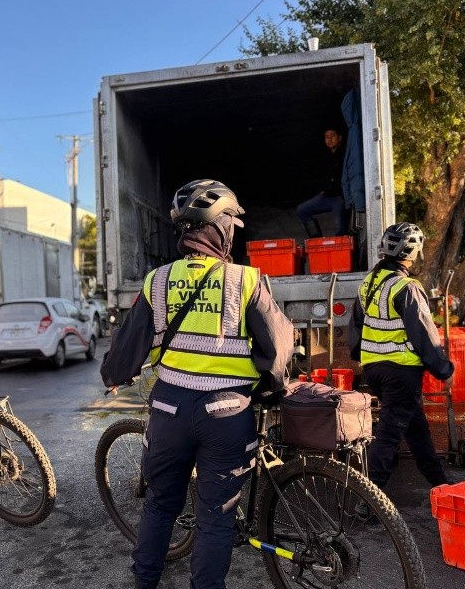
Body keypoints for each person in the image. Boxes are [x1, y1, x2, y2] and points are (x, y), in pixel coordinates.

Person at [100, 179, 295, 589]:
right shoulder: (245, 280)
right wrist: (272, 389)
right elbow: (278, 350)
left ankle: (144, 581)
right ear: (222, 228)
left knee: (160, 505)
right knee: (215, 519)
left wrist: (114, 376)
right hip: (227, 415)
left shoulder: (157, 281)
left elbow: (127, 347)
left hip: (169, 412)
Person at [347, 222, 454, 494]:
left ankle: (440, 484)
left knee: (416, 428)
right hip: (401, 372)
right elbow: (424, 335)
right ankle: (369, 499)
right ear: (413, 252)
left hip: (375, 371)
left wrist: (361, 357)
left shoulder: (369, 284)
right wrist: (443, 370)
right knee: (389, 435)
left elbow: (356, 328)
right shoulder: (406, 287)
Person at [296, 127, 348, 237]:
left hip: (340, 197)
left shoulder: (345, 154)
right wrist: (324, 189)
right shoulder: (327, 156)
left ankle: (343, 247)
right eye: (327, 137)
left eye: (332, 136)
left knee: (340, 230)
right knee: (302, 210)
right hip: (327, 196)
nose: (330, 139)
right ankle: (316, 240)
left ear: (340, 138)